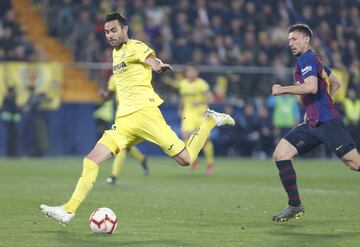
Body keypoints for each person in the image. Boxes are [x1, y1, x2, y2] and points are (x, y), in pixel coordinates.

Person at [40, 12, 235, 225]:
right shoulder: (116, 54)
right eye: (106, 32)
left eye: (114, 30)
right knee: (91, 160)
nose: (110, 35)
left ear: (125, 29)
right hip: (124, 121)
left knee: (186, 159)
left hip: (146, 115)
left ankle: (210, 121)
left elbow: (151, 59)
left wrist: (157, 65)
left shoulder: (135, 46)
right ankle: (68, 210)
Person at [271, 24, 360, 222]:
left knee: (355, 164)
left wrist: (283, 89)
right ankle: (295, 205)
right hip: (312, 123)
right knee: (280, 154)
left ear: (306, 40)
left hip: (328, 123)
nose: (290, 43)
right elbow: (336, 82)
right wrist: (316, 107)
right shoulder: (313, 61)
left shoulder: (308, 58)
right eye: (289, 40)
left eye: (294, 39)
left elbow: (311, 88)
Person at [167, 65, 215, 175]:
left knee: (205, 139)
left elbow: (211, 98)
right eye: (189, 71)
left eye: (193, 71)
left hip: (201, 114)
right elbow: (182, 98)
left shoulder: (202, 84)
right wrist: (181, 109)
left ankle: (210, 163)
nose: (191, 73)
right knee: (185, 136)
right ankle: (193, 159)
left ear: (196, 72)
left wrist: (201, 102)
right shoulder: (183, 84)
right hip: (188, 114)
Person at [101, 75, 149, 184]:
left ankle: (114, 176)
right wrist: (104, 95)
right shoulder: (113, 78)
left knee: (122, 145)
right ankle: (142, 159)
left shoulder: (135, 73)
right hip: (122, 114)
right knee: (124, 145)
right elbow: (109, 95)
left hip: (136, 113)